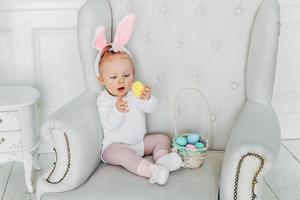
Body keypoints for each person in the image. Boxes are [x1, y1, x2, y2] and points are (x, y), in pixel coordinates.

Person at [92, 14, 182, 185]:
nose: (121, 81)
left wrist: (148, 99)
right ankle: (152, 171)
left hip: (139, 144)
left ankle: (163, 162)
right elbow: (110, 124)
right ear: (102, 79)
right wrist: (117, 111)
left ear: (133, 73)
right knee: (123, 155)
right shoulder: (104, 100)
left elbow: (150, 108)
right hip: (115, 146)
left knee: (162, 139)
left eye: (126, 75)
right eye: (113, 77)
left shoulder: (134, 92)